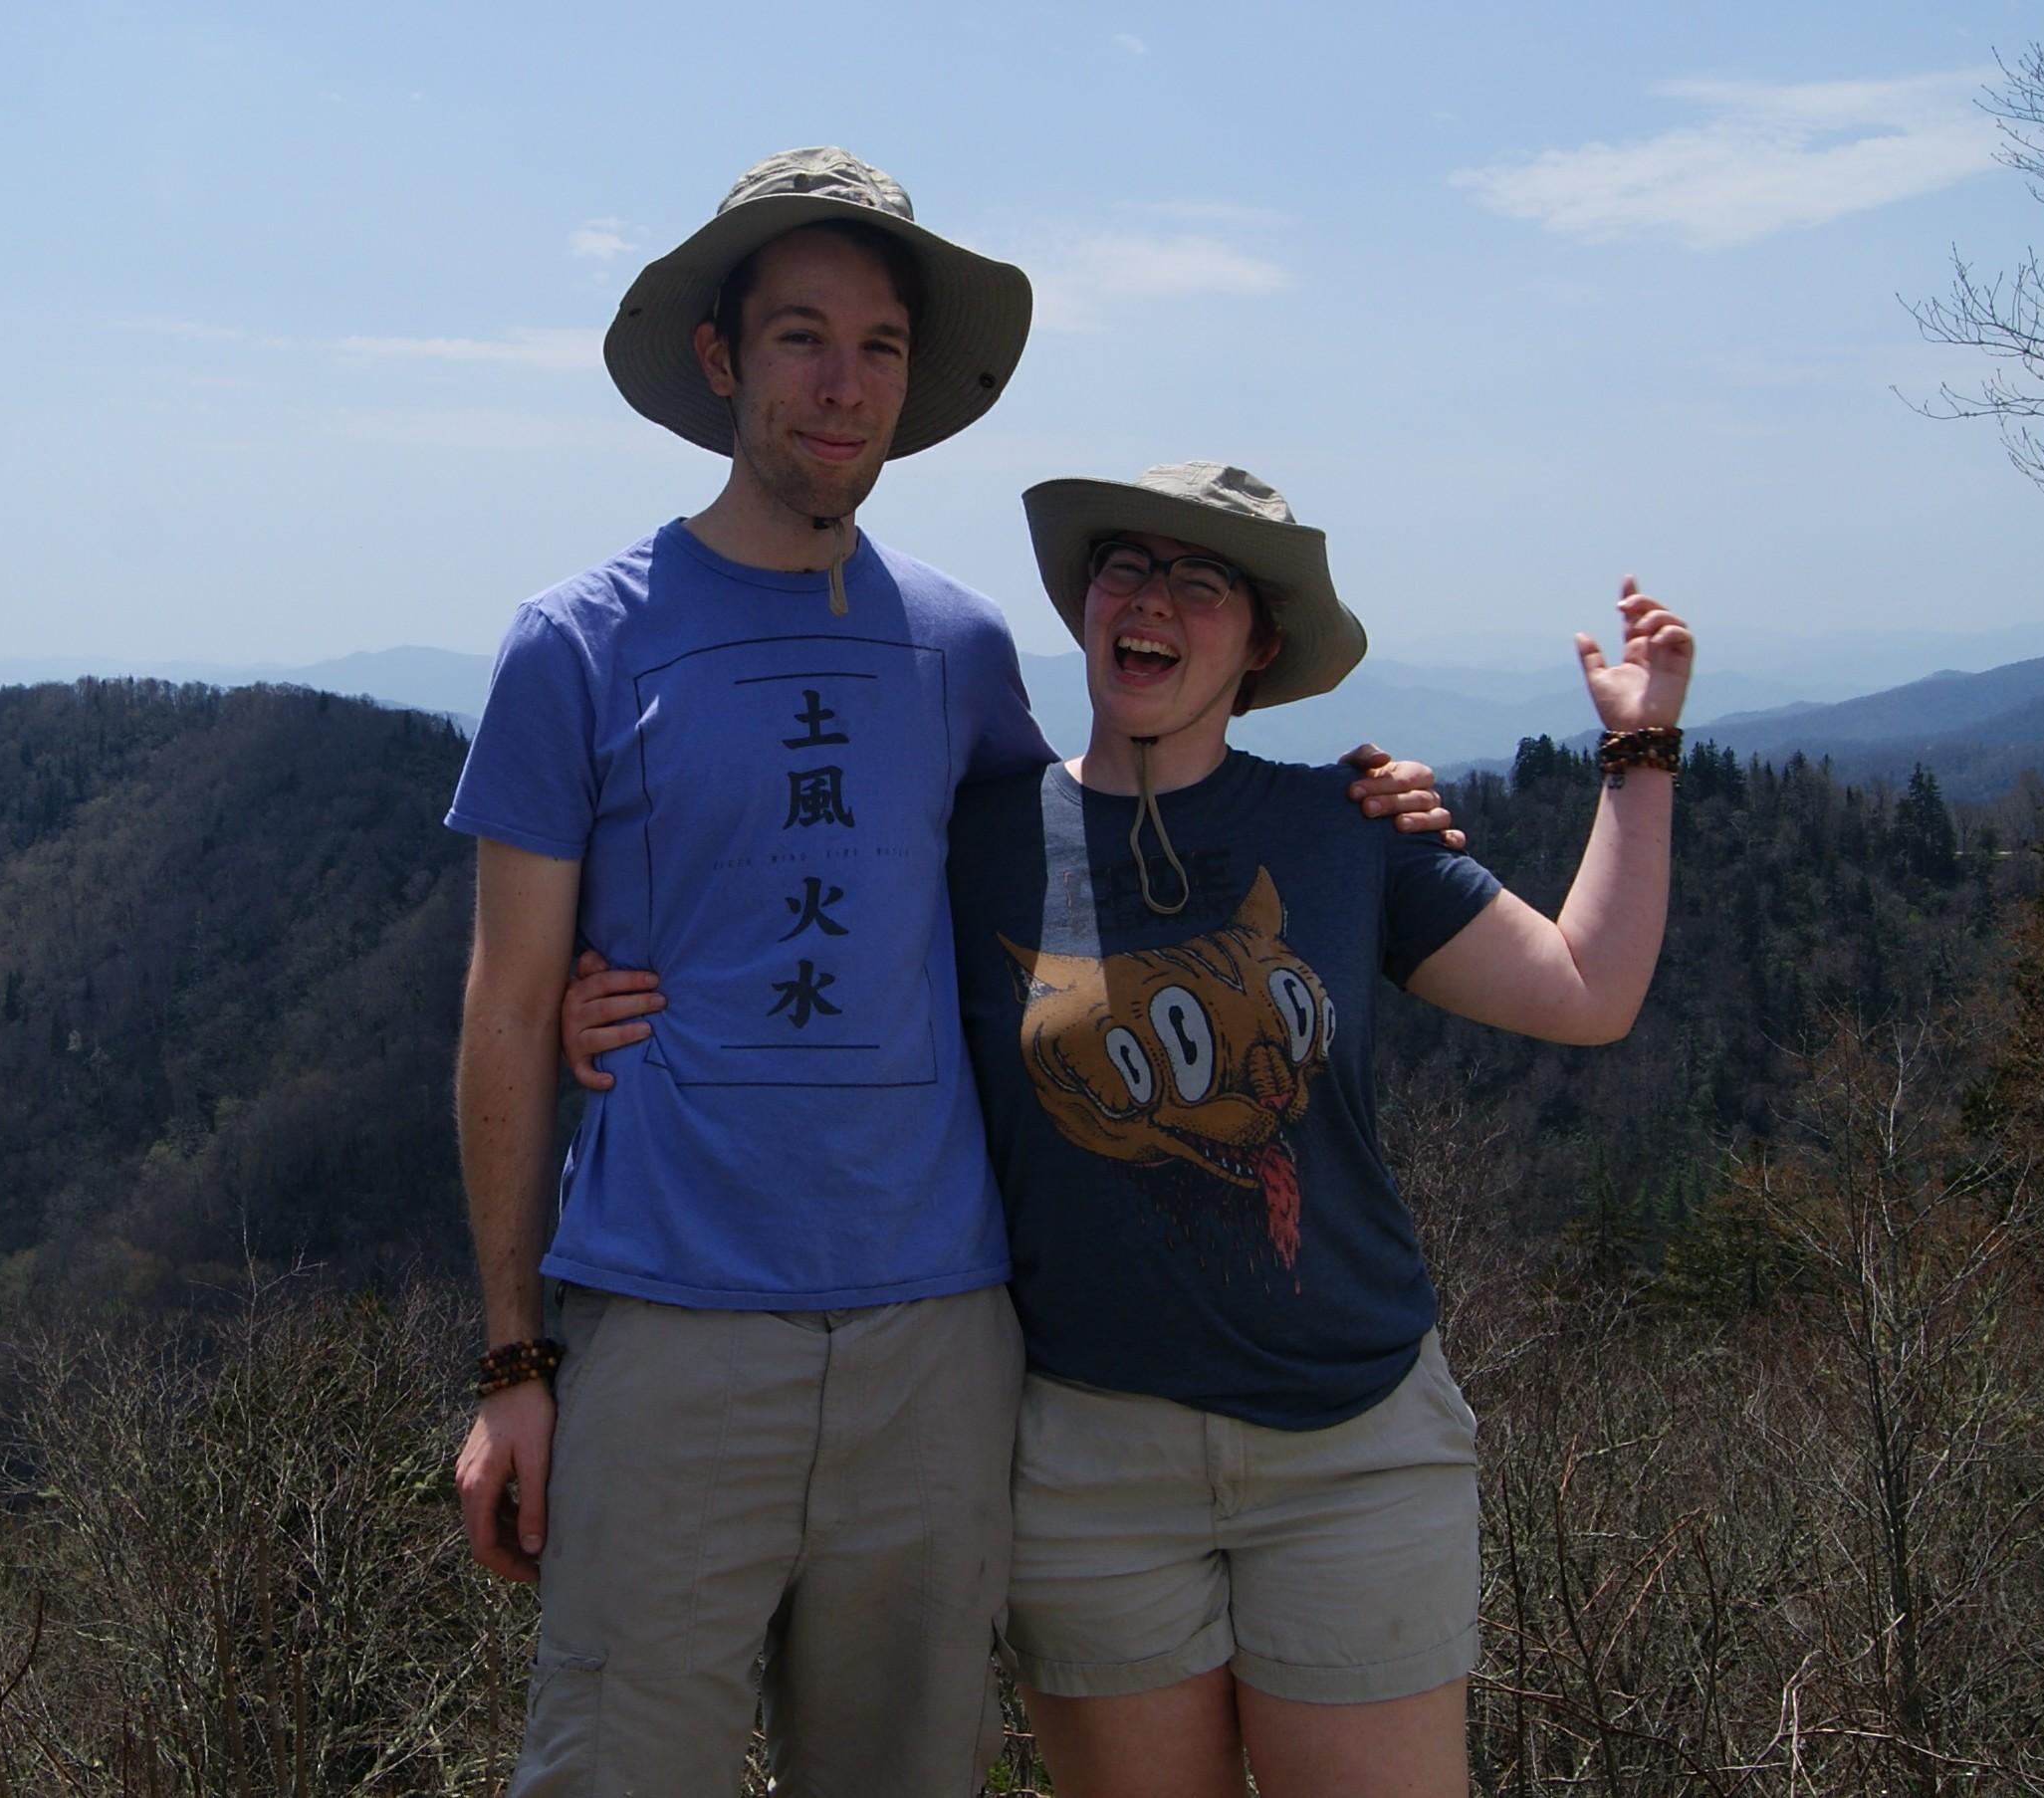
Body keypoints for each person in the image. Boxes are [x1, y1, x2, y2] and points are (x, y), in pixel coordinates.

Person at [444, 152, 1454, 1798]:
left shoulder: (959, 644)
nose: (841, 385)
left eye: (879, 347)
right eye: (798, 337)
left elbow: (1078, 860)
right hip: (669, 1321)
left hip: (942, 1337)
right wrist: (510, 1361)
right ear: (718, 356)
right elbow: (500, 1006)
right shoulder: (576, 642)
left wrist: (1360, 816)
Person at [562, 461, 1693, 1798]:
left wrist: (1638, 751)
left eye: (1202, 581)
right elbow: (784, 917)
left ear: (1259, 644)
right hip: (1084, 1457)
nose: (1154, 599)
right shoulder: (971, 837)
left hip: (1354, 1445)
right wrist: (602, 993)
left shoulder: (1340, 828)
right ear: (1087, 606)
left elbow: (1586, 989)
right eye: (1128, 568)